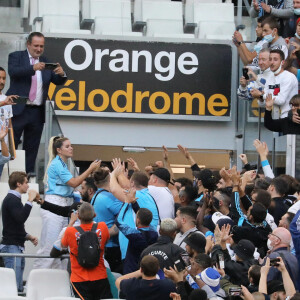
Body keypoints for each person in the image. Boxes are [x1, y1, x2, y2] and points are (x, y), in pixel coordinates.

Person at [33, 136, 100, 269]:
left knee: (63, 246)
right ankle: (37, 280)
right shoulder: (57, 164)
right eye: (67, 146)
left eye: (71, 145)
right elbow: (74, 182)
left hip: (64, 204)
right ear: (59, 150)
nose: (71, 148)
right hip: (55, 202)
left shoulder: (62, 164)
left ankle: (58, 282)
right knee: (49, 246)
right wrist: (90, 169)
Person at [6, 32, 67, 174]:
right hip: (17, 109)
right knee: (11, 142)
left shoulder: (46, 62)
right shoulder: (16, 56)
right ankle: (6, 171)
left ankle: (26, 175)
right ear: (28, 44)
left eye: (41, 46)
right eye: (36, 46)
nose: (39, 49)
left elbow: (58, 81)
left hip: (36, 112)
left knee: (32, 146)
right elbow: (13, 72)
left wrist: (62, 73)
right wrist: (32, 68)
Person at [61, 202, 112, 300]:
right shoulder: (103, 227)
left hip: (79, 278)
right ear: (94, 215)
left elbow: (63, 245)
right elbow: (106, 240)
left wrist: (71, 222)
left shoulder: (70, 231)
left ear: (78, 217)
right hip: (100, 276)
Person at [0, 171, 38, 292]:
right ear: (18, 184)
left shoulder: (13, 199)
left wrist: (28, 236)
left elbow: (14, 226)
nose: (28, 185)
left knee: (18, 286)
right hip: (12, 247)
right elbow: (21, 218)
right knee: (14, 287)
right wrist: (30, 201)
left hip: (16, 246)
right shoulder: (12, 199)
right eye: (26, 182)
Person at [91, 167, 123, 273]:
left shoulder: (95, 196)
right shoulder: (110, 198)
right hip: (111, 246)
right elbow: (125, 217)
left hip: (100, 243)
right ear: (110, 180)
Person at [251, 49, 298, 118]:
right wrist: (260, 98)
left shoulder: (288, 77)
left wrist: (261, 95)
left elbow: (281, 100)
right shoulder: (270, 78)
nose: (272, 62)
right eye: (270, 59)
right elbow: (264, 104)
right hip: (274, 118)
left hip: (289, 117)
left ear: (282, 62)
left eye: (275, 60)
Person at [0, 67, 17, 176]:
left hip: (3, 150)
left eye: (4, 78)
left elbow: (9, 127)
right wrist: (3, 103)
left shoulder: (7, 99)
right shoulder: (5, 101)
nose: (2, 81)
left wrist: (12, 149)